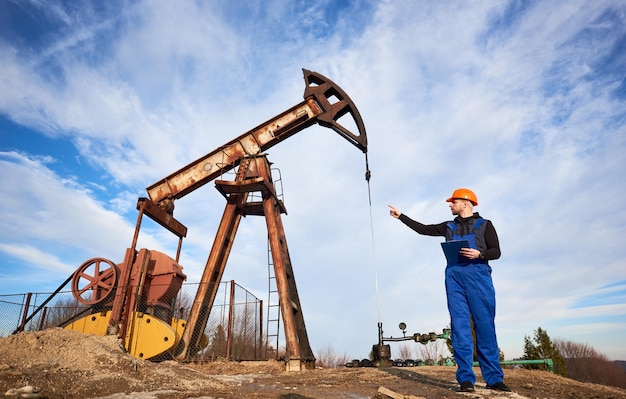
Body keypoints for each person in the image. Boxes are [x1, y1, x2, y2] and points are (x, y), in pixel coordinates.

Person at [388, 188, 511, 393]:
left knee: (485, 326)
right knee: (459, 327)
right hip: (454, 277)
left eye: (453, 202)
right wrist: (401, 217)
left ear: (465, 203)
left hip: (478, 276)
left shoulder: (485, 225)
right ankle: (465, 379)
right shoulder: (448, 226)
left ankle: (494, 379)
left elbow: (496, 251)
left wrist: (479, 254)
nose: (450, 205)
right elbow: (423, 229)